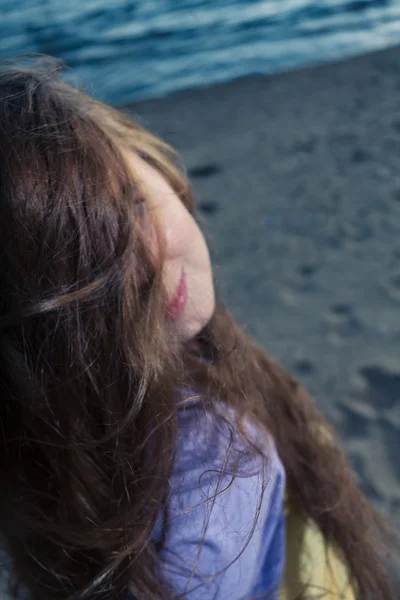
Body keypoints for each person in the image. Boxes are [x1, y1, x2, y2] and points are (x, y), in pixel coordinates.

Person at [0, 57, 397, 600]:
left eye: (131, 205)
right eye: (82, 269)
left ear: (153, 161)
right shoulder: (211, 471)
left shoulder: (46, 450)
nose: (143, 267)